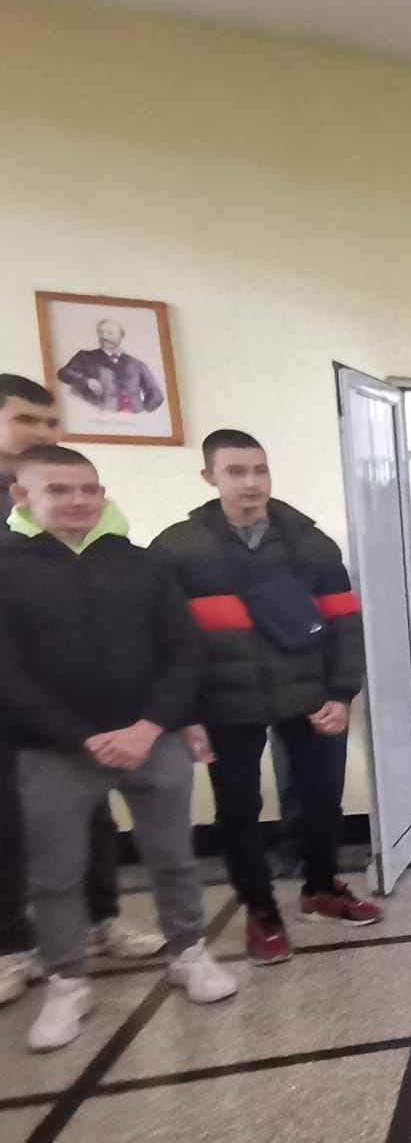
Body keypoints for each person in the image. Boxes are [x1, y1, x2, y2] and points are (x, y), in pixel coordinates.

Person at [0, 447, 237, 1051]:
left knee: (173, 856)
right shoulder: (8, 567)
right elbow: (8, 674)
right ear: (23, 497)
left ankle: (188, 951)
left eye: (89, 488)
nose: (78, 500)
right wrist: (81, 737)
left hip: (152, 740)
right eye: (59, 490)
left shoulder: (143, 564)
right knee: (55, 875)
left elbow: (184, 651)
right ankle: (67, 981)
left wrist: (150, 726)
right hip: (54, 751)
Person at [152, 429, 378, 965]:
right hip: (223, 702)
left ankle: (321, 887)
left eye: (260, 469)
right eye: (236, 471)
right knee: (238, 808)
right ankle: (260, 908)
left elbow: (344, 623)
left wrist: (342, 693)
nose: (251, 482)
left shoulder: (310, 544)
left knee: (320, 795)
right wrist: (183, 715)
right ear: (209, 476)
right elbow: (163, 640)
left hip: (309, 694)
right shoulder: (177, 549)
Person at [0, 378, 158, 1007]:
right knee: (9, 821)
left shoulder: (89, 504)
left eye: (50, 422)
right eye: (27, 420)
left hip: (79, 700)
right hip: (11, 699)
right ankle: (11, 946)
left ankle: (100, 921)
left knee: (91, 813)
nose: (43, 432)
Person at [56, 318, 165, 416]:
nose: (104, 336)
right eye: (101, 333)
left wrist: (141, 415)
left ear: (121, 336)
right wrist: (86, 381)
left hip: (132, 422)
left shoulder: (137, 364)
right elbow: (63, 373)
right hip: (99, 418)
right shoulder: (85, 357)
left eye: (110, 333)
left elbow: (156, 395)